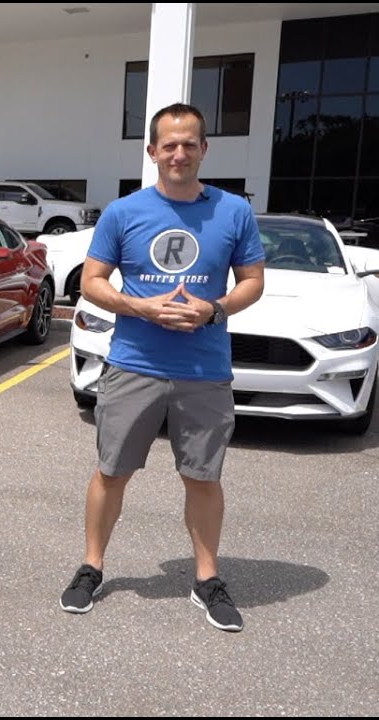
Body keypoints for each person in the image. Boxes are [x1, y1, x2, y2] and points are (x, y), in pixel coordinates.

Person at [60, 102, 266, 632]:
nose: (179, 152)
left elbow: (253, 282)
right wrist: (140, 307)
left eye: (189, 143)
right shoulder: (123, 213)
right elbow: (92, 282)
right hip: (134, 364)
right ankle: (92, 567)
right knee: (112, 471)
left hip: (204, 369)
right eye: (169, 144)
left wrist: (214, 307)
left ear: (204, 150)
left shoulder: (233, 212)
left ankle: (207, 578)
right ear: (152, 151)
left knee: (202, 477)